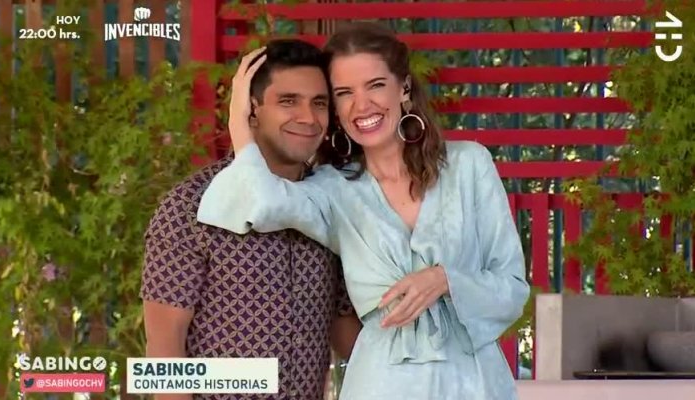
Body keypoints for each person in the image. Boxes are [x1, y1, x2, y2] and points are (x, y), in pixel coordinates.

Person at [197, 23, 530, 400]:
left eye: (375, 85)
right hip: (382, 384)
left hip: (475, 382)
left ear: (404, 88)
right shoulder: (330, 189)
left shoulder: (470, 164)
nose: (362, 105)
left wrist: (444, 279)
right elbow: (257, 200)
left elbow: (512, 289)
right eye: (344, 93)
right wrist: (239, 122)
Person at [141, 39, 362, 400]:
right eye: (288, 101)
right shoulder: (193, 206)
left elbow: (343, 330)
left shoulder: (329, 203)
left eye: (319, 103)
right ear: (251, 108)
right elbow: (164, 347)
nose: (308, 117)